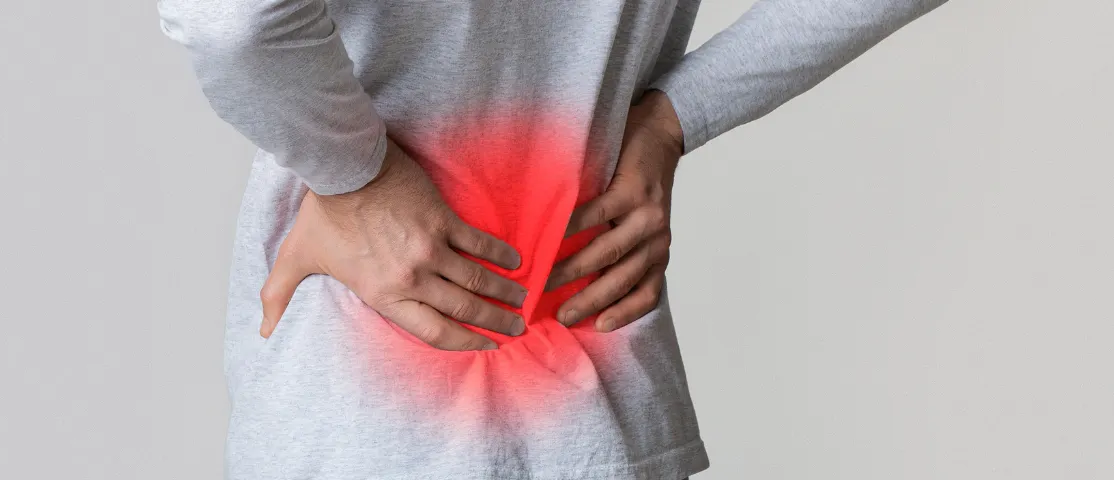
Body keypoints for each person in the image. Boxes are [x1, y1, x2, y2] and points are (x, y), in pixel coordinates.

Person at [158, 0, 947, 477]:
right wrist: (675, 115)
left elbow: (229, 17)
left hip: (354, 407)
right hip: (595, 403)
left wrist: (360, 179)